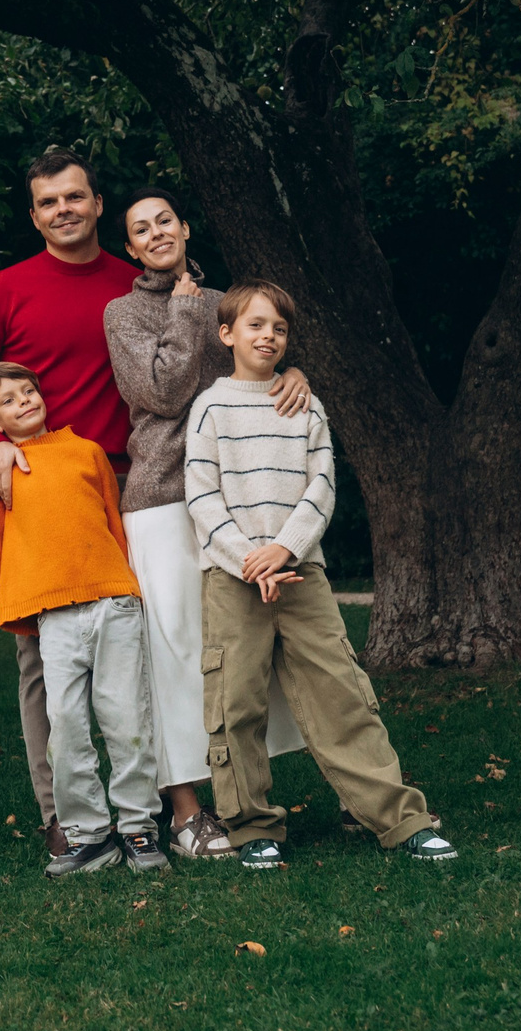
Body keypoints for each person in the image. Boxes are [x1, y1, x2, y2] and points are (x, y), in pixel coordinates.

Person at [184, 280, 458, 868]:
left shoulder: (303, 404)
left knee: (342, 694)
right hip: (234, 580)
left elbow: (322, 487)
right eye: (255, 325)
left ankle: (398, 817)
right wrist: (247, 559)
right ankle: (252, 826)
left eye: (279, 328)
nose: (268, 336)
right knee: (237, 704)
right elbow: (201, 497)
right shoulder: (209, 407)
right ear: (226, 334)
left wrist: (283, 550)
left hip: (301, 573)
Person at [0, 150, 140, 858]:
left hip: (125, 484)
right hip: (31, 485)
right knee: (44, 668)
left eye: (74, 197)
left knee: (143, 647)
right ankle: (65, 815)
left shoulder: (133, 281)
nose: (64, 210)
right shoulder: (6, 289)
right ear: (34, 215)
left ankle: (150, 810)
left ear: (97, 202)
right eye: (49, 202)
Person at [102, 186, 308, 859]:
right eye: (141, 227)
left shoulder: (225, 302)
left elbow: (253, 369)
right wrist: (187, 313)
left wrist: (293, 373)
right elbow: (158, 392)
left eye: (166, 218)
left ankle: (242, 796)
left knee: (241, 644)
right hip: (162, 496)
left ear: (185, 227)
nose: (157, 231)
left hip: (233, 494)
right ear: (130, 246)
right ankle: (186, 807)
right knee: (175, 651)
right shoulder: (124, 311)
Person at [0, 360, 168, 876]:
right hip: (53, 621)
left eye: (29, 391)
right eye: (8, 400)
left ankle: (139, 828)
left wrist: (131, 590)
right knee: (66, 728)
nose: (25, 400)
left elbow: (114, 526)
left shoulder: (86, 452)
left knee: (127, 720)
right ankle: (89, 836)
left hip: (113, 604)